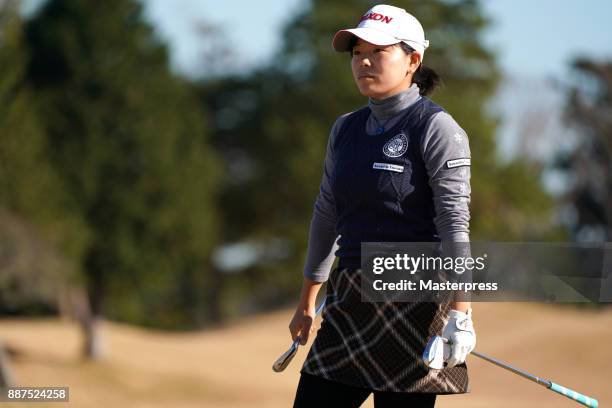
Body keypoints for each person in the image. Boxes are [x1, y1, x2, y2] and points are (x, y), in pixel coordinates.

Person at [289, 4, 476, 408]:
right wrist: (307, 299)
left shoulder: (437, 128)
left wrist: (461, 315)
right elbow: (326, 214)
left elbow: (453, 226)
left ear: (413, 60)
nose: (364, 61)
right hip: (349, 301)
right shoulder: (345, 129)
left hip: (415, 303)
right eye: (357, 53)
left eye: (378, 51)